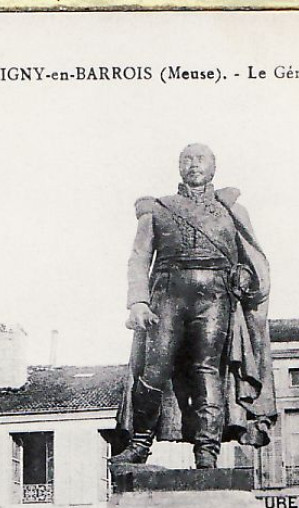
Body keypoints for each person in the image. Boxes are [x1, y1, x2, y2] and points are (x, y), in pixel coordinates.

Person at [112, 142, 276, 470]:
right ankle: (140, 444)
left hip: (215, 297)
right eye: (186, 159)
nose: (193, 164)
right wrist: (138, 302)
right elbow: (139, 256)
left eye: (201, 159)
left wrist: (245, 276)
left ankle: (207, 452)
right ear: (178, 166)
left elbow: (250, 260)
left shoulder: (232, 211)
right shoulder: (157, 208)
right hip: (167, 295)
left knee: (207, 371)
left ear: (213, 167)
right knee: (154, 371)